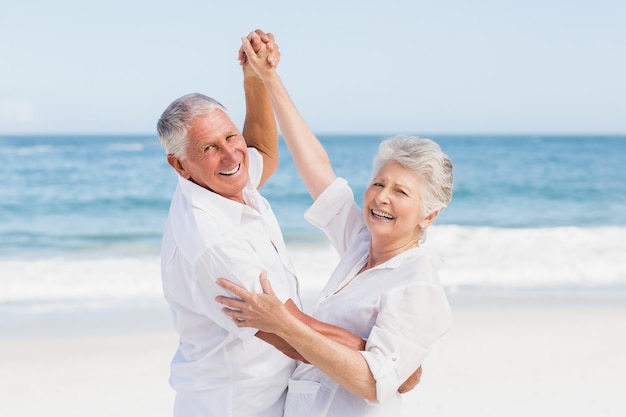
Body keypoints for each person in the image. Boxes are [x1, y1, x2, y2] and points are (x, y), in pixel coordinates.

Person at [216, 32, 454, 416]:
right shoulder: (362, 243)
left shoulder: (417, 279)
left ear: (429, 215)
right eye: (378, 183)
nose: (382, 197)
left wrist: (285, 323)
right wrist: (269, 78)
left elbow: (375, 383)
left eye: (401, 192)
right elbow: (316, 166)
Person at [157, 30, 381, 417]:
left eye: (230, 136)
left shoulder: (223, 183)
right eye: (209, 148)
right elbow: (293, 336)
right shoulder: (212, 241)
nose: (231, 156)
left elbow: (261, 153)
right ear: (179, 165)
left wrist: (254, 78)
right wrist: (383, 357)